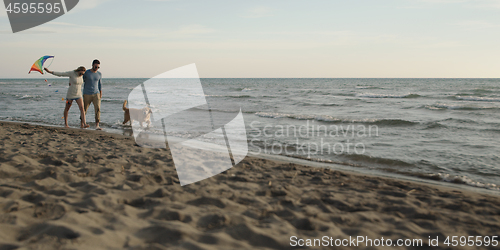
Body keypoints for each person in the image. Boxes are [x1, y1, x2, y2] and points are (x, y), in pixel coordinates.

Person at [83, 59, 103, 130]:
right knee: (84, 109)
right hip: (87, 93)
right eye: (95, 67)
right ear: (92, 65)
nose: (96, 68)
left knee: (97, 109)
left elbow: (100, 84)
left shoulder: (99, 74)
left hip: (96, 93)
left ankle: (97, 125)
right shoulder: (87, 73)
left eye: (98, 67)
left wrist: (100, 93)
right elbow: (81, 80)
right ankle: (82, 123)